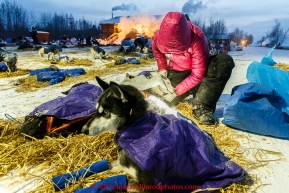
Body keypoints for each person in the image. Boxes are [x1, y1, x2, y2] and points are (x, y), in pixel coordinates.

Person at [152, 12, 235, 125]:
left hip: (201, 72)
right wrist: (162, 72)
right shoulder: (159, 37)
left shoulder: (197, 36)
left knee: (223, 62)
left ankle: (202, 107)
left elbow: (197, 74)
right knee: (164, 99)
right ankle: (182, 93)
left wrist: (177, 91)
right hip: (179, 72)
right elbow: (158, 53)